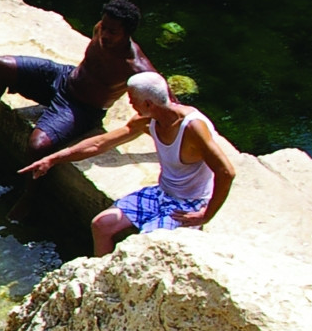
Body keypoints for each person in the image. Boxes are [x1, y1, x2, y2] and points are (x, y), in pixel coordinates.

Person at [20, 71, 236, 255]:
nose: (129, 103)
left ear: (148, 103)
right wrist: (53, 158)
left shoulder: (192, 128)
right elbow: (100, 144)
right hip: (162, 192)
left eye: (132, 99)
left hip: (189, 203)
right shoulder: (147, 119)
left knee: (143, 248)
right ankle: (99, 281)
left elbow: (226, 171)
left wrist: (206, 214)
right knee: (101, 225)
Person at [0, 0, 154, 154]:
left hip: (82, 108)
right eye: (105, 27)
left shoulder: (136, 67)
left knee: (37, 146)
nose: (105, 35)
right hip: (64, 78)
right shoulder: (100, 29)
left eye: (113, 32)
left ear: (127, 33)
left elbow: (169, 105)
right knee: (1, 65)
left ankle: (29, 197)